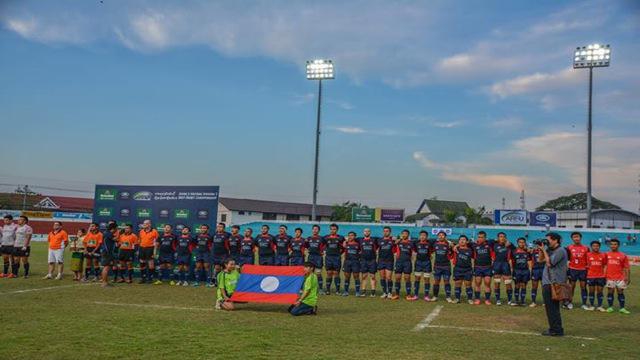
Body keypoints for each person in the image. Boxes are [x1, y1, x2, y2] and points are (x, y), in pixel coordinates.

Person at [538, 232, 567, 337]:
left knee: (552, 308)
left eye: (548, 240)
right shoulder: (550, 250)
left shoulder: (560, 251)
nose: (546, 242)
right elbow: (540, 260)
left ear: (555, 240)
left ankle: (556, 329)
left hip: (554, 283)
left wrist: (545, 250)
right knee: (550, 307)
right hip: (548, 282)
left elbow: (550, 263)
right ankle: (555, 328)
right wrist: (542, 250)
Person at [604, 239, 631, 314]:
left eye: (615, 244)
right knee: (610, 292)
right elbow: (602, 265)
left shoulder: (623, 255)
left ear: (618, 245)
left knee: (620, 292)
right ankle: (610, 307)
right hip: (609, 277)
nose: (613, 246)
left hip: (620, 277)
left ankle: (622, 308)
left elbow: (626, 267)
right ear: (609, 245)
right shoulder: (606, 254)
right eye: (612, 244)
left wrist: (628, 277)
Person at [565, 232, 589, 310]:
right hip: (572, 269)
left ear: (580, 238)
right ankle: (570, 302)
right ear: (572, 239)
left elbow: (588, 260)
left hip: (583, 270)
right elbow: (567, 260)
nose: (576, 238)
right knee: (571, 287)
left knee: (583, 287)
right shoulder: (569, 247)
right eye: (574, 237)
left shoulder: (586, 248)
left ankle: (584, 304)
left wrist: (587, 269)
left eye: (577, 237)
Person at [392, 229, 416, 301]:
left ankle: (408, 295)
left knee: (407, 278)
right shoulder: (398, 242)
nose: (404, 235)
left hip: (407, 262)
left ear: (408, 235)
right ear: (401, 234)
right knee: (397, 278)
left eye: (406, 234)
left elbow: (415, 250)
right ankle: (397, 294)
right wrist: (395, 241)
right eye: (403, 234)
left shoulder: (411, 243)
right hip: (399, 262)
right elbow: (393, 245)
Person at [471, 231, 493, 305]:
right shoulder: (474, 245)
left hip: (488, 267)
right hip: (478, 267)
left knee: (487, 283)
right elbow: (463, 242)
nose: (480, 239)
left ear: (485, 238)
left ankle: (487, 299)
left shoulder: (489, 243)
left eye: (482, 237)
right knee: (477, 283)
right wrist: (456, 246)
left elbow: (499, 240)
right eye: (479, 237)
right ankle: (477, 299)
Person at [492, 232, 514, 306]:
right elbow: (487, 241)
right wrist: (495, 240)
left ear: (506, 238)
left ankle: (510, 300)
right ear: (498, 238)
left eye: (503, 236)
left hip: (505, 264)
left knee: (508, 282)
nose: (502, 238)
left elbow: (516, 250)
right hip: (497, 264)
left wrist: (509, 243)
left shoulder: (509, 245)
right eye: (500, 236)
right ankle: (498, 300)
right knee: (497, 282)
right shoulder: (494, 244)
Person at [323, 223, 344, 295]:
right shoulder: (326, 237)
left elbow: (344, 247)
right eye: (331, 229)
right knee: (329, 273)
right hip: (328, 257)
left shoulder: (341, 238)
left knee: (336, 273)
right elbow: (322, 245)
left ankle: (337, 290)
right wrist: (322, 251)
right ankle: (328, 290)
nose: (332, 230)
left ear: (337, 230)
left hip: (336, 258)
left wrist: (340, 254)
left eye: (334, 229)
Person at [432, 231, 453, 303]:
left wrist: (451, 245)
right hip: (437, 266)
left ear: (445, 237)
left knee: (446, 281)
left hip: (446, 266)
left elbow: (453, 250)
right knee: (436, 282)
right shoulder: (435, 244)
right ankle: (435, 296)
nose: (441, 236)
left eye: (442, 235)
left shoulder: (449, 244)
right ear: (437, 236)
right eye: (439, 235)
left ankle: (448, 297)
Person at [452, 235, 474, 304]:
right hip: (458, 268)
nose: (462, 241)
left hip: (468, 269)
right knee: (457, 284)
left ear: (467, 241)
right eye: (460, 239)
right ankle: (457, 298)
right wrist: (456, 246)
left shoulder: (470, 249)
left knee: (468, 284)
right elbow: (449, 243)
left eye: (464, 239)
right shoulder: (455, 249)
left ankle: (470, 299)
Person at [585, 241, 606, 311]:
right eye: (594, 246)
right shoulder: (588, 255)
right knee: (591, 291)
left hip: (601, 276)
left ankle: (600, 306)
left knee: (600, 291)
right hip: (591, 276)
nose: (595, 247)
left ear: (599, 247)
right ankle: (591, 305)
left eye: (597, 246)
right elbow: (586, 265)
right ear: (591, 247)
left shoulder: (603, 255)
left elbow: (604, 265)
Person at [511, 237, 532, 306]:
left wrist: (530, 270)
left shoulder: (528, 252)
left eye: (523, 242)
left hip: (525, 271)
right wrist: (512, 269)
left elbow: (529, 261)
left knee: (523, 285)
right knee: (517, 285)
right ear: (517, 243)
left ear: (525, 243)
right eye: (520, 242)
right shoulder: (514, 251)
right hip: (517, 270)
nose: (521, 243)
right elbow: (511, 261)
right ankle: (516, 301)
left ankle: (523, 301)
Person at [137, 219, 159, 284]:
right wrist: (138, 250)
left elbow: (156, 242)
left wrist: (155, 251)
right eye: (143, 224)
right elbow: (140, 241)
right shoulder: (141, 231)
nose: (144, 225)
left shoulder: (154, 231)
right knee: (142, 263)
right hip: (142, 248)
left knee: (151, 264)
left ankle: (150, 278)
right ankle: (143, 278)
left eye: (146, 224)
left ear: (149, 224)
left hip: (150, 248)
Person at [377, 226, 396, 299]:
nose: (385, 232)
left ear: (390, 232)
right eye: (384, 231)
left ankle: (390, 292)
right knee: (382, 277)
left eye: (387, 231)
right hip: (381, 261)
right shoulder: (379, 240)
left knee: (388, 277)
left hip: (389, 261)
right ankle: (384, 292)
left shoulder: (393, 240)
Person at [358, 228, 378, 297]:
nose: (366, 232)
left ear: (370, 232)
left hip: (372, 260)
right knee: (364, 276)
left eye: (368, 231)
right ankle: (363, 292)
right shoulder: (360, 240)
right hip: (363, 260)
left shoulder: (374, 240)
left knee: (372, 276)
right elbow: (350, 239)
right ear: (363, 232)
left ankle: (373, 292)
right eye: (365, 231)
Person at [305, 225, 325, 293]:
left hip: (318, 257)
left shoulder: (321, 238)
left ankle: (321, 289)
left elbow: (326, 245)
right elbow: (306, 245)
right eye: (313, 229)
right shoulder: (309, 238)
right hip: (311, 256)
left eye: (316, 229)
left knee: (318, 273)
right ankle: (310, 288)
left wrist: (323, 251)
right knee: (310, 273)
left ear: (318, 231)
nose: (314, 230)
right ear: (312, 230)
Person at [414, 230, 433, 301]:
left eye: (424, 235)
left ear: (427, 237)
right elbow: (415, 250)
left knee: (426, 279)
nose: (422, 236)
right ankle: (416, 295)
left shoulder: (430, 243)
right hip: (418, 262)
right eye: (421, 235)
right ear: (419, 236)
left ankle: (426, 296)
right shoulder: (416, 243)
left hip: (427, 263)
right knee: (417, 278)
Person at [210, 222, 230, 287]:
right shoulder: (214, 235)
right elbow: (210, 243)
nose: (219, 228)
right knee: (217, 268)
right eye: (218, 227)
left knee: (225, 268)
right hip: (216, 254)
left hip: (224, 254)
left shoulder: (227, 235)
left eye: (221, 227)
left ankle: (224, 282)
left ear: (224, 228)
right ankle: (216, 281)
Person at [99, 222, 119, 287]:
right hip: (107, 252)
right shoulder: (108, 233)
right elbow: (115, 239)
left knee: (106, 267)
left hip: (106, 252)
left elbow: (115, 240)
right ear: (113, 228)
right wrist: (120, 233)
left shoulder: (107, 233)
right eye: (116, 228)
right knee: (106, 268)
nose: (117, 230)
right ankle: (104, 283)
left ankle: (106, 282)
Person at [342, 231, 361, 297]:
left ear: (355, 236)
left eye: (352, 235)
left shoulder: (358, 244)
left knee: (356, 276)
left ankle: (358, 291)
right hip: (347, 262)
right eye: (349, 235)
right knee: (347, 277)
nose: (350, 237)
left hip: (355, 262)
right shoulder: (346, 244)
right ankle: (346, 291)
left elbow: (361, 252)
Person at [529, 241, 545, 307]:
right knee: (534, 286)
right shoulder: (532, 251)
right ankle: (533, 302)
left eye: (540, 245)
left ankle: (545, 302)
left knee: (544, 287)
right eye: (537, 245)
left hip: (543, 270)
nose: (538, 246)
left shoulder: (545, 251)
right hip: (535, 270)